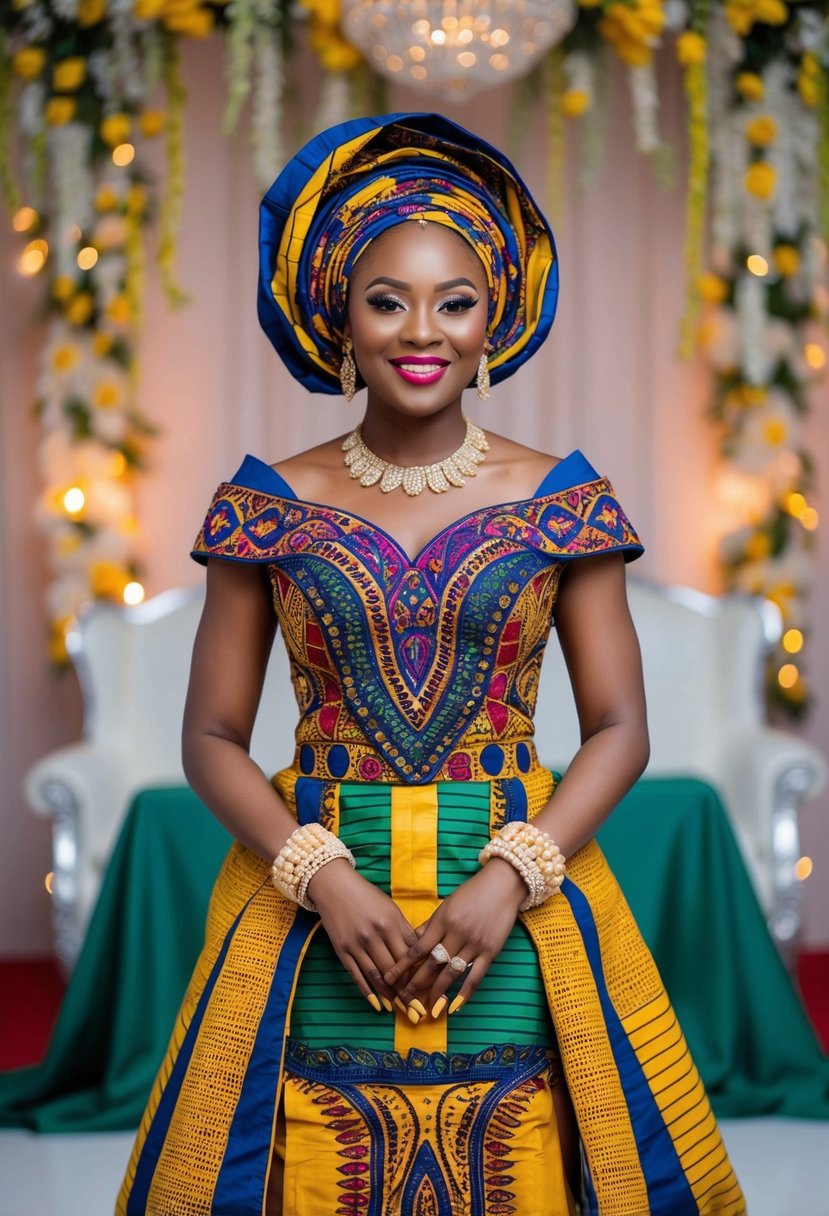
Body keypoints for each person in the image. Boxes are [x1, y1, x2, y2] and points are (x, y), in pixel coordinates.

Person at [116, 113, 745, 1216]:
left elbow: (619, 728)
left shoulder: (564, 500)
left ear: (490, 317)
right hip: (317, 901)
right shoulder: (268, 501)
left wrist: (510, 877)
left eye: (454, 300)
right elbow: (211, 738)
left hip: (515, 891)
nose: (423, 330)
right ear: (339, 318)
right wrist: (326, 879)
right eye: (387, 299)